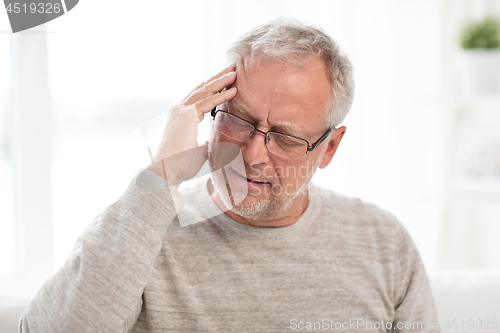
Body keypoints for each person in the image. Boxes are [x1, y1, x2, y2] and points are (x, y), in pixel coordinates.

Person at [19, 18, 440, 332]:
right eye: (237, 120)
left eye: (285, 138)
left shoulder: (384, 243)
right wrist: (159, 175)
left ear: (329, 148)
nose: (253, 155)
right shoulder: (145, 230)